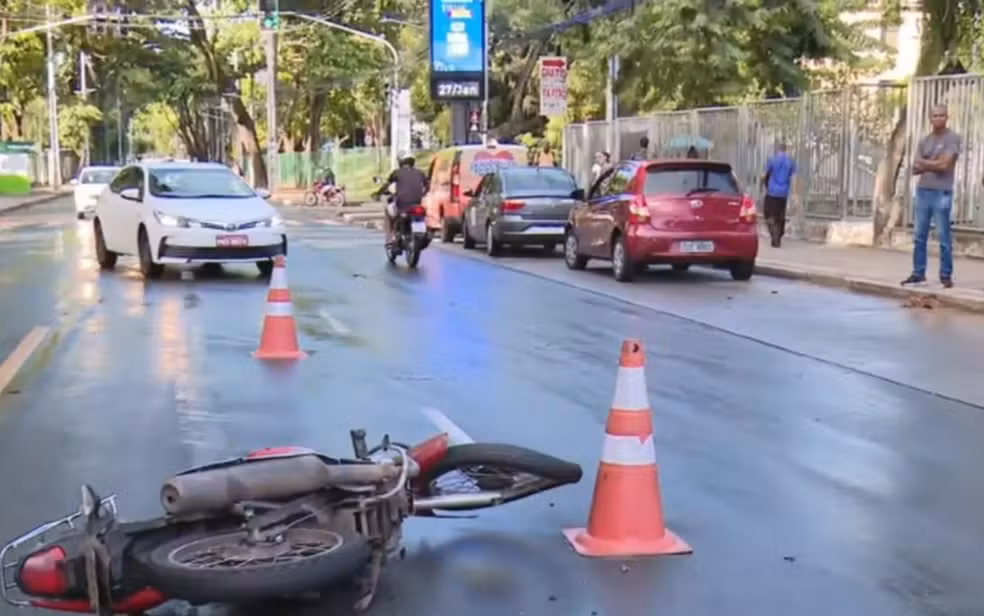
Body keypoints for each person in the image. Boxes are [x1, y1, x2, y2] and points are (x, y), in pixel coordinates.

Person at [902, 104, 961, 289]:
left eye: (942, 115)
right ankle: (918, 273)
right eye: (935, 115)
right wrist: (934, 163)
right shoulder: (925, 140)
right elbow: (915, 167)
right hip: (923, 191)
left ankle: (945, 275)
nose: (938, 118)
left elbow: (946, 166)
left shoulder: (953, 138)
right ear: (930, 118)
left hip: (942, 191)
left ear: (947, 117)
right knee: (919, 235)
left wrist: (926, 164)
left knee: (943, 235)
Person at [375, 152, 428, 245]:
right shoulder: (420, 173)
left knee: (388, 212)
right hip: (417, 203)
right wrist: (423, 194)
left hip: (402, 204)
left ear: (400, 162)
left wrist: (378, 194)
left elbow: (386, 185)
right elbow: (427, 186)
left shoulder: (397, 173)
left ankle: (389, 239)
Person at [761, 141, 797, 248]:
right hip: (783, 193)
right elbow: (794, 178)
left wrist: (761, 185)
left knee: (769, 214)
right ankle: (779, 233)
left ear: (777, 149)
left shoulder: (772, 160)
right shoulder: (791, 162)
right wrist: (794, 193)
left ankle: (774, 235)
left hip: (772, 192)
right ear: (786, 149)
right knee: (780, 215)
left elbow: (763, 175)